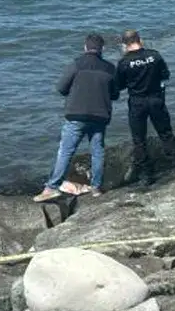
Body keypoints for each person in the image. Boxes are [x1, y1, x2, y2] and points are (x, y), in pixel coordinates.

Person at [33, 34, 119, 202]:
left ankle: (52, 187)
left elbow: (61, 88)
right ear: (102, 49)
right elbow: (114, 94)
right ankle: (95, 187)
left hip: (76, 114)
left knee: (66, 151)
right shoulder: (109, 68)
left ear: (85, 47)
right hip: (100, 116)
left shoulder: (75, 65)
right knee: (97, 151)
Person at [116, 29, 175, 184]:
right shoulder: (154, 55)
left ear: (124, 44)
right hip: (156, 99)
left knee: (139, 139)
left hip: (137, 102)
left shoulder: (124, 62)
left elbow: (119, 85)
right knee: (165, 133)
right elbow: (165, 75)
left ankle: (147, 175)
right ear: (140, 40)